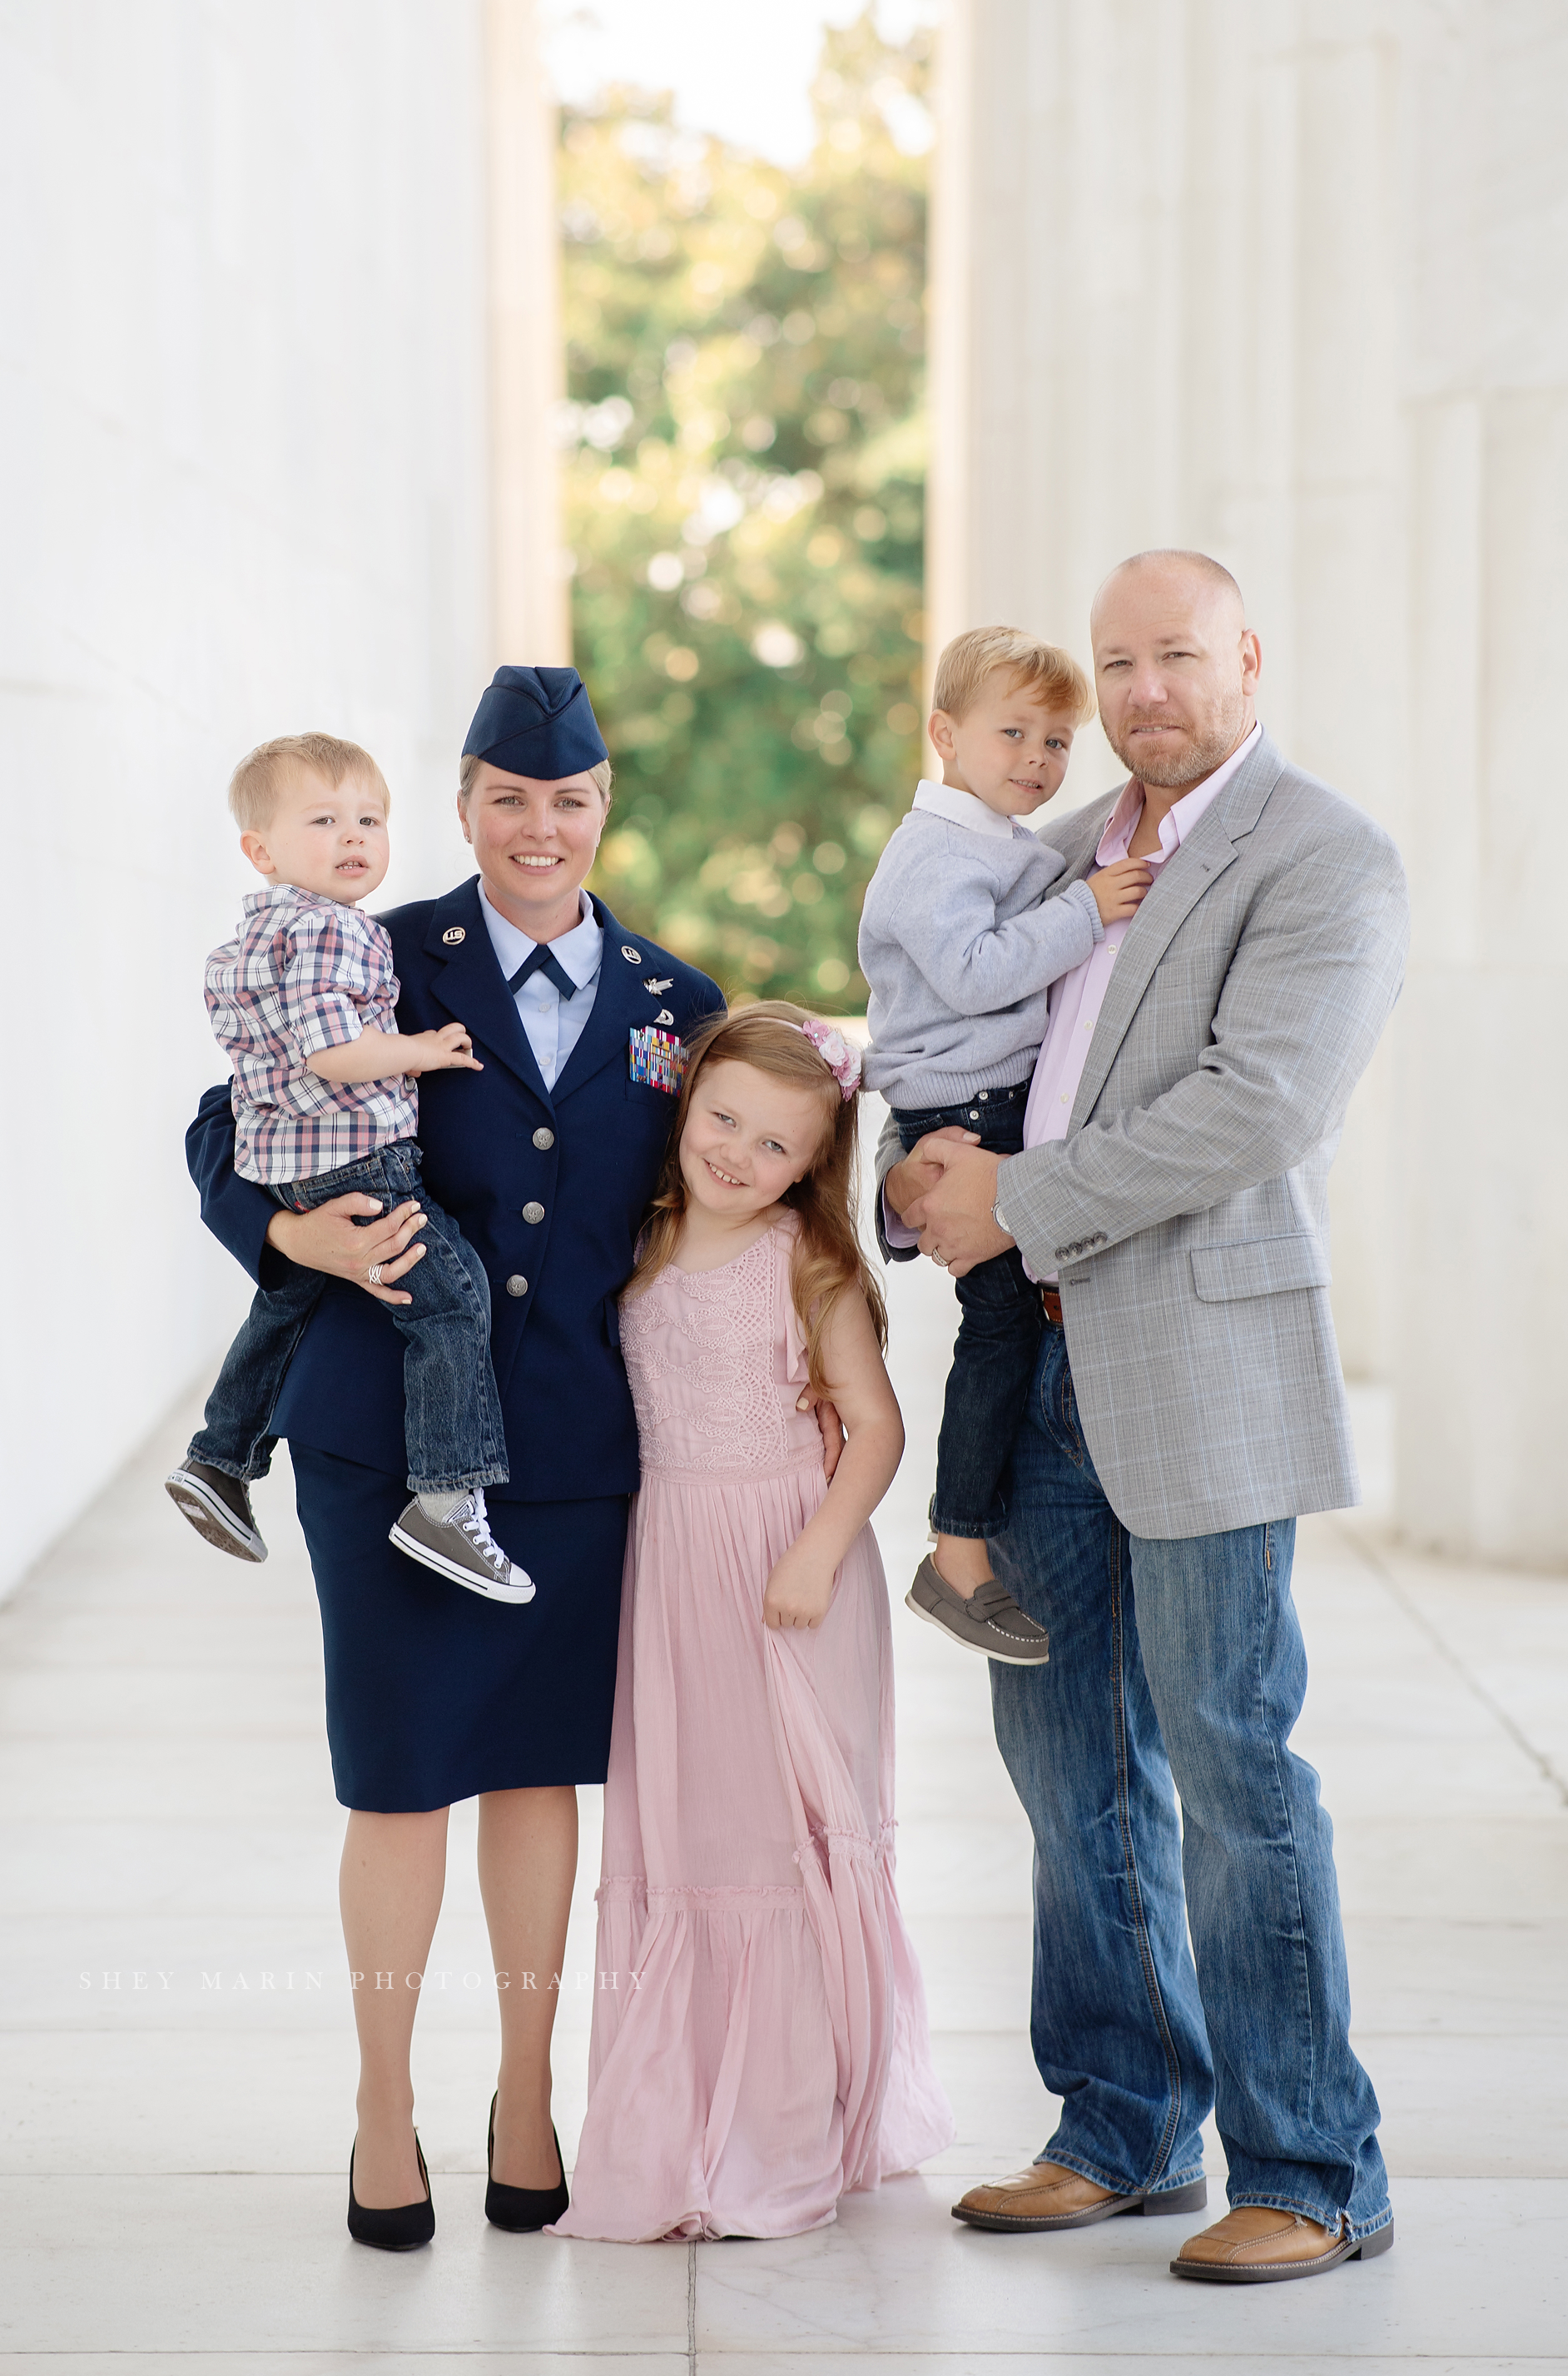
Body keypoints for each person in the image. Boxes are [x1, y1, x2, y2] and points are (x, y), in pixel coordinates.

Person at [884, 551, 1407, 2286]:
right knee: (1067, 1779)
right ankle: (1117, 2124)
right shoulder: (1056, 846)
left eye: (1174, 656)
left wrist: (1012, 1198)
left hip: (1198, 1368)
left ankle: (1315, 2166)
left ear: (1248, 656)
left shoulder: (1325, 858)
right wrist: (907, 1174)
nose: (1140, 695)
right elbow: (945, 1011)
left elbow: (1253, 1109)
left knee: (1232, 1767)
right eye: (1115, 665)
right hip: (1026, 1376)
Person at [184, 665, 724, 2250]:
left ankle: (530, 2093)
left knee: (539, 1771)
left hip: (569, 1445)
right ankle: (378, 2105)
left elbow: (728, 1202)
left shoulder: (674, 1005)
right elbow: (224, 1126)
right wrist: (288, 1231)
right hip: (377, 1429)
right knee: (403, 1772)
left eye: (566, 801)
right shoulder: (366, 940)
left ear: (602, 810)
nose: (537, 829)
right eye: (507, 799)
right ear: (467, 804)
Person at [555, 1004, 954, 2241]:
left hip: (787, 1566)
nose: (736, 1153)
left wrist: (819, 1552)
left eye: (775, 1144)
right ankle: (680, 2128)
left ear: (810, 1165)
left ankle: (783, 2129)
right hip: (670, 1563)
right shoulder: (637, 1242)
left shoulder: (806, 1260)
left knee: (781, 1844)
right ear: (686, 1110)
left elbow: (876, 1428)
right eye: (721, 1119)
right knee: (687, 1837)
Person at [165, 730, 529, 1603]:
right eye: (324, 820)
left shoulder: (255, 938)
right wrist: (423, 1050)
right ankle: (445, 1498)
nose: (355, 836)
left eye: (370, 817)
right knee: (450, 1301)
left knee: (285, 1304)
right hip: (357, 1159)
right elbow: (334, 1051)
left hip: (285, 1165)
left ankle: (219, 1459)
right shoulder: (338, 932)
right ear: (261, 850)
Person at [858, 625, 1153, 1663]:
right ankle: (957, 1552)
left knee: (1009, 1333)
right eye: (1013, 734)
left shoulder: (1001, 839)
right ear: (943, 734)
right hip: (965, 1110)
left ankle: (962, 1544)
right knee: (997, 1337)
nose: (1038, 759)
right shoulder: (935, 852)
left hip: (988, 1103)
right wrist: (1085, 909)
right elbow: (980, 974)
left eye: (1058, 742)